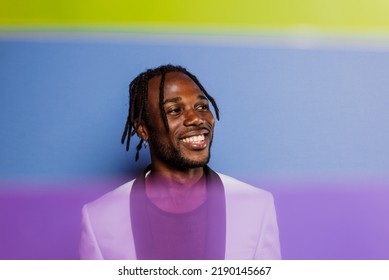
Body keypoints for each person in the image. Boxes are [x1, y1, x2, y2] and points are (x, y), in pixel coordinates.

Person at [79, 64, 281, 260]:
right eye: (175, 110)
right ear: (143, 130)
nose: (195, 118)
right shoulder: (99, 218)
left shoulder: (257, 205)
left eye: (202, 106)